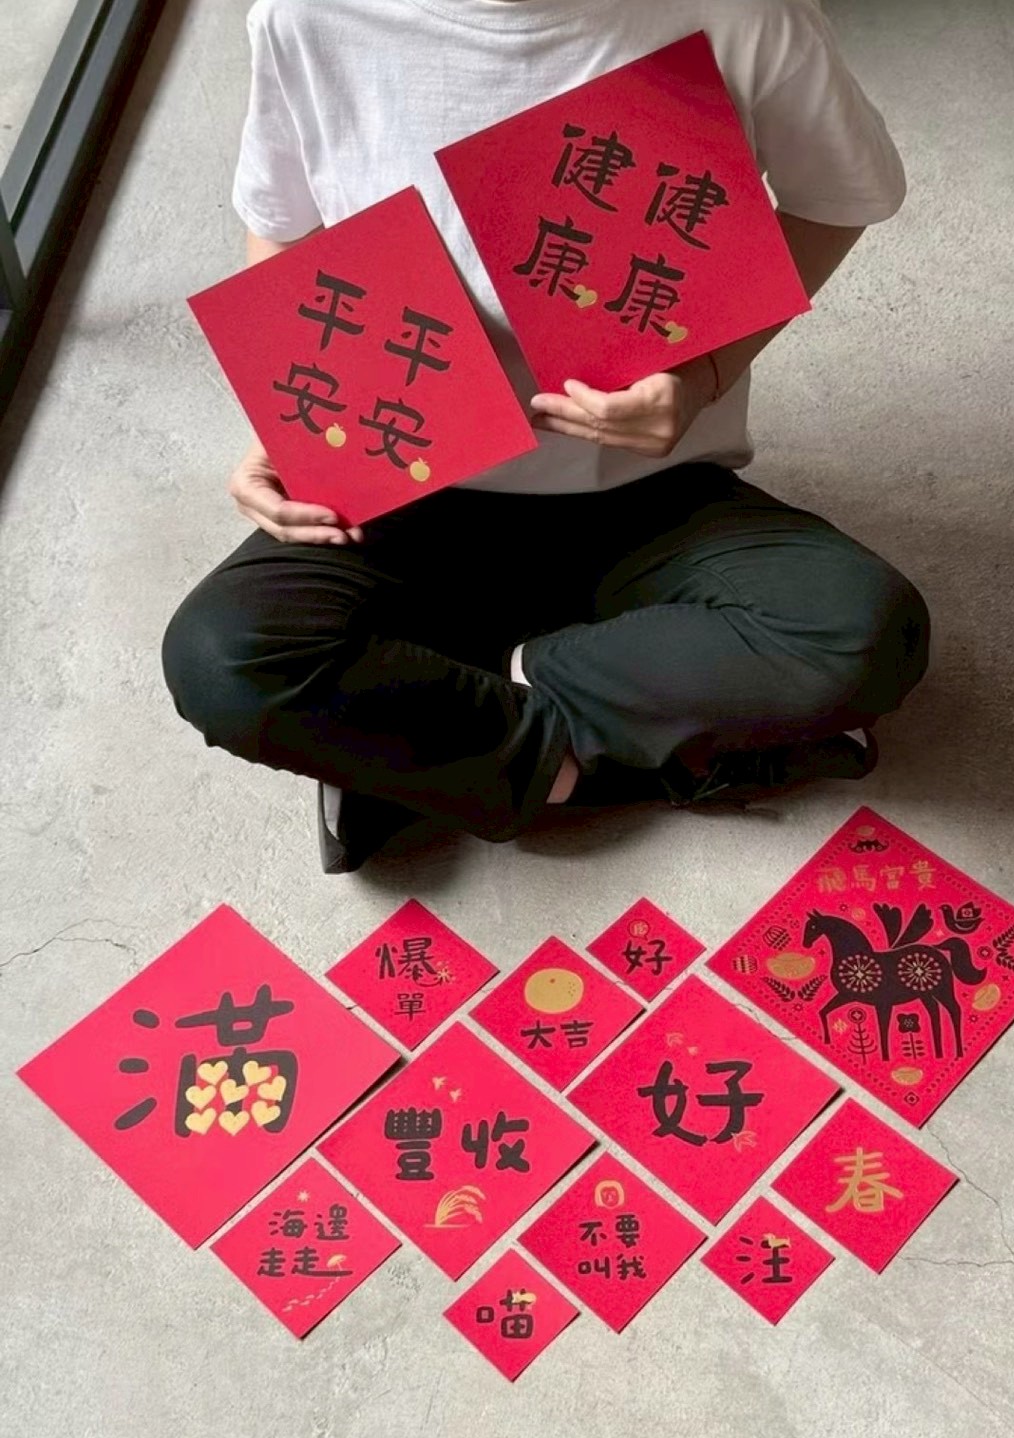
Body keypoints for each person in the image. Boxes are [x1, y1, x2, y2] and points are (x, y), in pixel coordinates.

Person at [162, 0, 930, 871]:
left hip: (652, 491)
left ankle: (418, 743)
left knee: (863, 632)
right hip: (413, 482)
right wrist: (291, 415)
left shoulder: (737, 10)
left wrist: (704, 374)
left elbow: (843, 195)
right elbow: (285, 223)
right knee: (222, 656)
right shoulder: (307, 16)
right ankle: (612, 753)